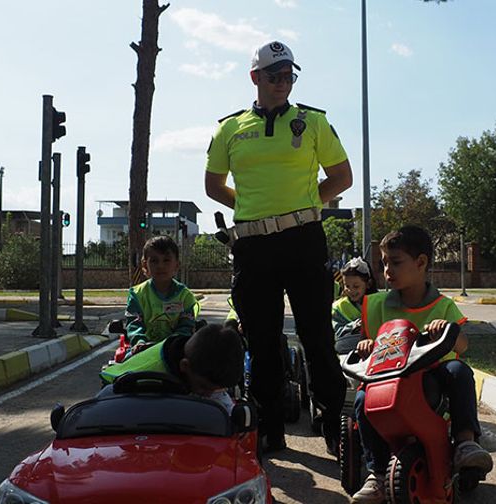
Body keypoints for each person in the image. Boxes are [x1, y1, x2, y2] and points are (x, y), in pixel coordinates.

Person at [204, 40, 352, 454]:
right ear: (255, 78)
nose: (283, 83)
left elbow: (342, 177)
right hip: (253, 246)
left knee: (317, 335)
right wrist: (254, 212)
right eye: (274, 76)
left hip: (304, 239)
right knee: (262, 340)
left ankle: (331, 421)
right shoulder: (229, 128)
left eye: (289, 75)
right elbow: (213, 186)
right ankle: (269, 426)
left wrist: (300, 207)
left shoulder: (313, 122)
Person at [351, 226, 493, 504]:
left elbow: (463, 345)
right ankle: (377, 473)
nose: (387, 270)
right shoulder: (376, 304)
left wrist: (448, 332)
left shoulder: (443, 305)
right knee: (361, 399)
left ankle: (465, 442)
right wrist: (366, 346)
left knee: (459, 371)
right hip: (388, 380)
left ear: (421, 263)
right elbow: (366, 345)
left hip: (431, 377)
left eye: (396, 262)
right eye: (384, 263)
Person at [100, 323, 244, 412]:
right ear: (184, 366)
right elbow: (105, 402)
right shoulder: (144, 373)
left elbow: (224, 408)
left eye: (215, 389)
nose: (208, 394)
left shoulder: (203, 373)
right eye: (204, 387)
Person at [124, 235, 197, 356]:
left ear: (177, 265)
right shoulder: (137, 294)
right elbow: (134, 323)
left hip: (174, 352)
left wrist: (172, 344)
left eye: (166, 260)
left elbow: (186, 326)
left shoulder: (185, 296)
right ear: (145, 265)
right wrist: (139, 342)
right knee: (123, 371)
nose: (160, 266)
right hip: (142, 351)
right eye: (154, 261)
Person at [331, 257, 377, 354]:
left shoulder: (378, 303)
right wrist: (353, 326)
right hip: (346, 353)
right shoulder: (339, 307)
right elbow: (336, 333)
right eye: (347, 286)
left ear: (368, 284)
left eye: (356, 286)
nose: (351, 290)